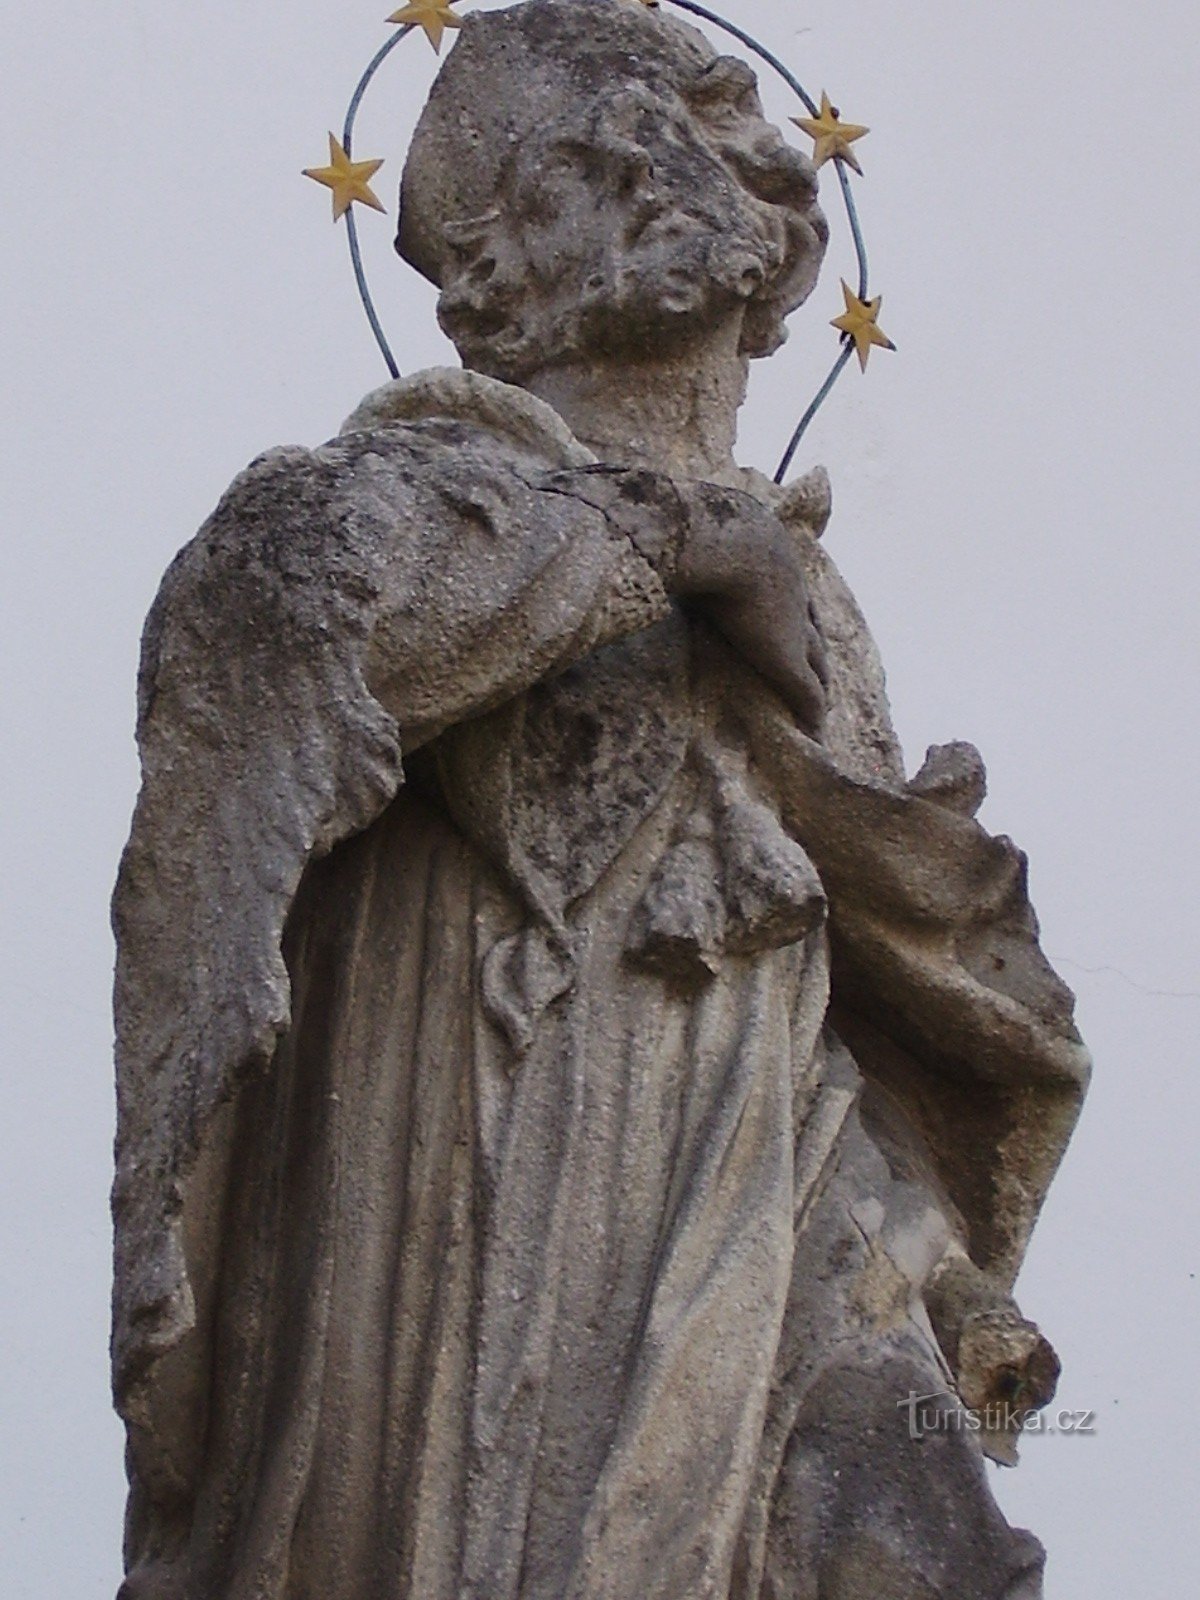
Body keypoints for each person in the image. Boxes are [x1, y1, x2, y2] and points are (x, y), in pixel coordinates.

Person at [112, 4, 1088, 1596]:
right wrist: (674, 547)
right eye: (598, 149)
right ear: (504, 248)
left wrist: (937, 1280)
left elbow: (821, 1028)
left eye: (699, 126)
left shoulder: (818, 612)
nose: (671, 162)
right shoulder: (383, 493)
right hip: (457, 1196)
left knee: (926, 1554)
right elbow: (278, 634)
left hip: (746, 1236)